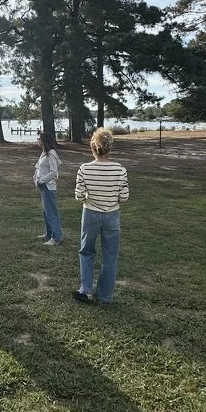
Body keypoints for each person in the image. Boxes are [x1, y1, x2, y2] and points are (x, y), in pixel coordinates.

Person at [73, 127, 129, 304]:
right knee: (110, 256)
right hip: (112, 215)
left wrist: (90, 197)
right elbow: (124, 197)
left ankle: (86, 289)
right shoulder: (120, 170)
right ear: (110, 148)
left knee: (86, 251)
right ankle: (105, 296)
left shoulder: (84, 169)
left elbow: (79, 195)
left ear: (93, 147)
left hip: (90, 213)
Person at [33, 130, 63, 245]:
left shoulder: (51, 153)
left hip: (48, 187)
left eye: (39, 139)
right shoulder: (44, 153)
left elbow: (54, 172)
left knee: (51, 212)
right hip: (42, 187)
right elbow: (38, 166)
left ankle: (56, 238)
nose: (37, 140)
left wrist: (41, 180)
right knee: (46, 212)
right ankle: (49, 233)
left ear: (44, 141)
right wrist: (35, 176)